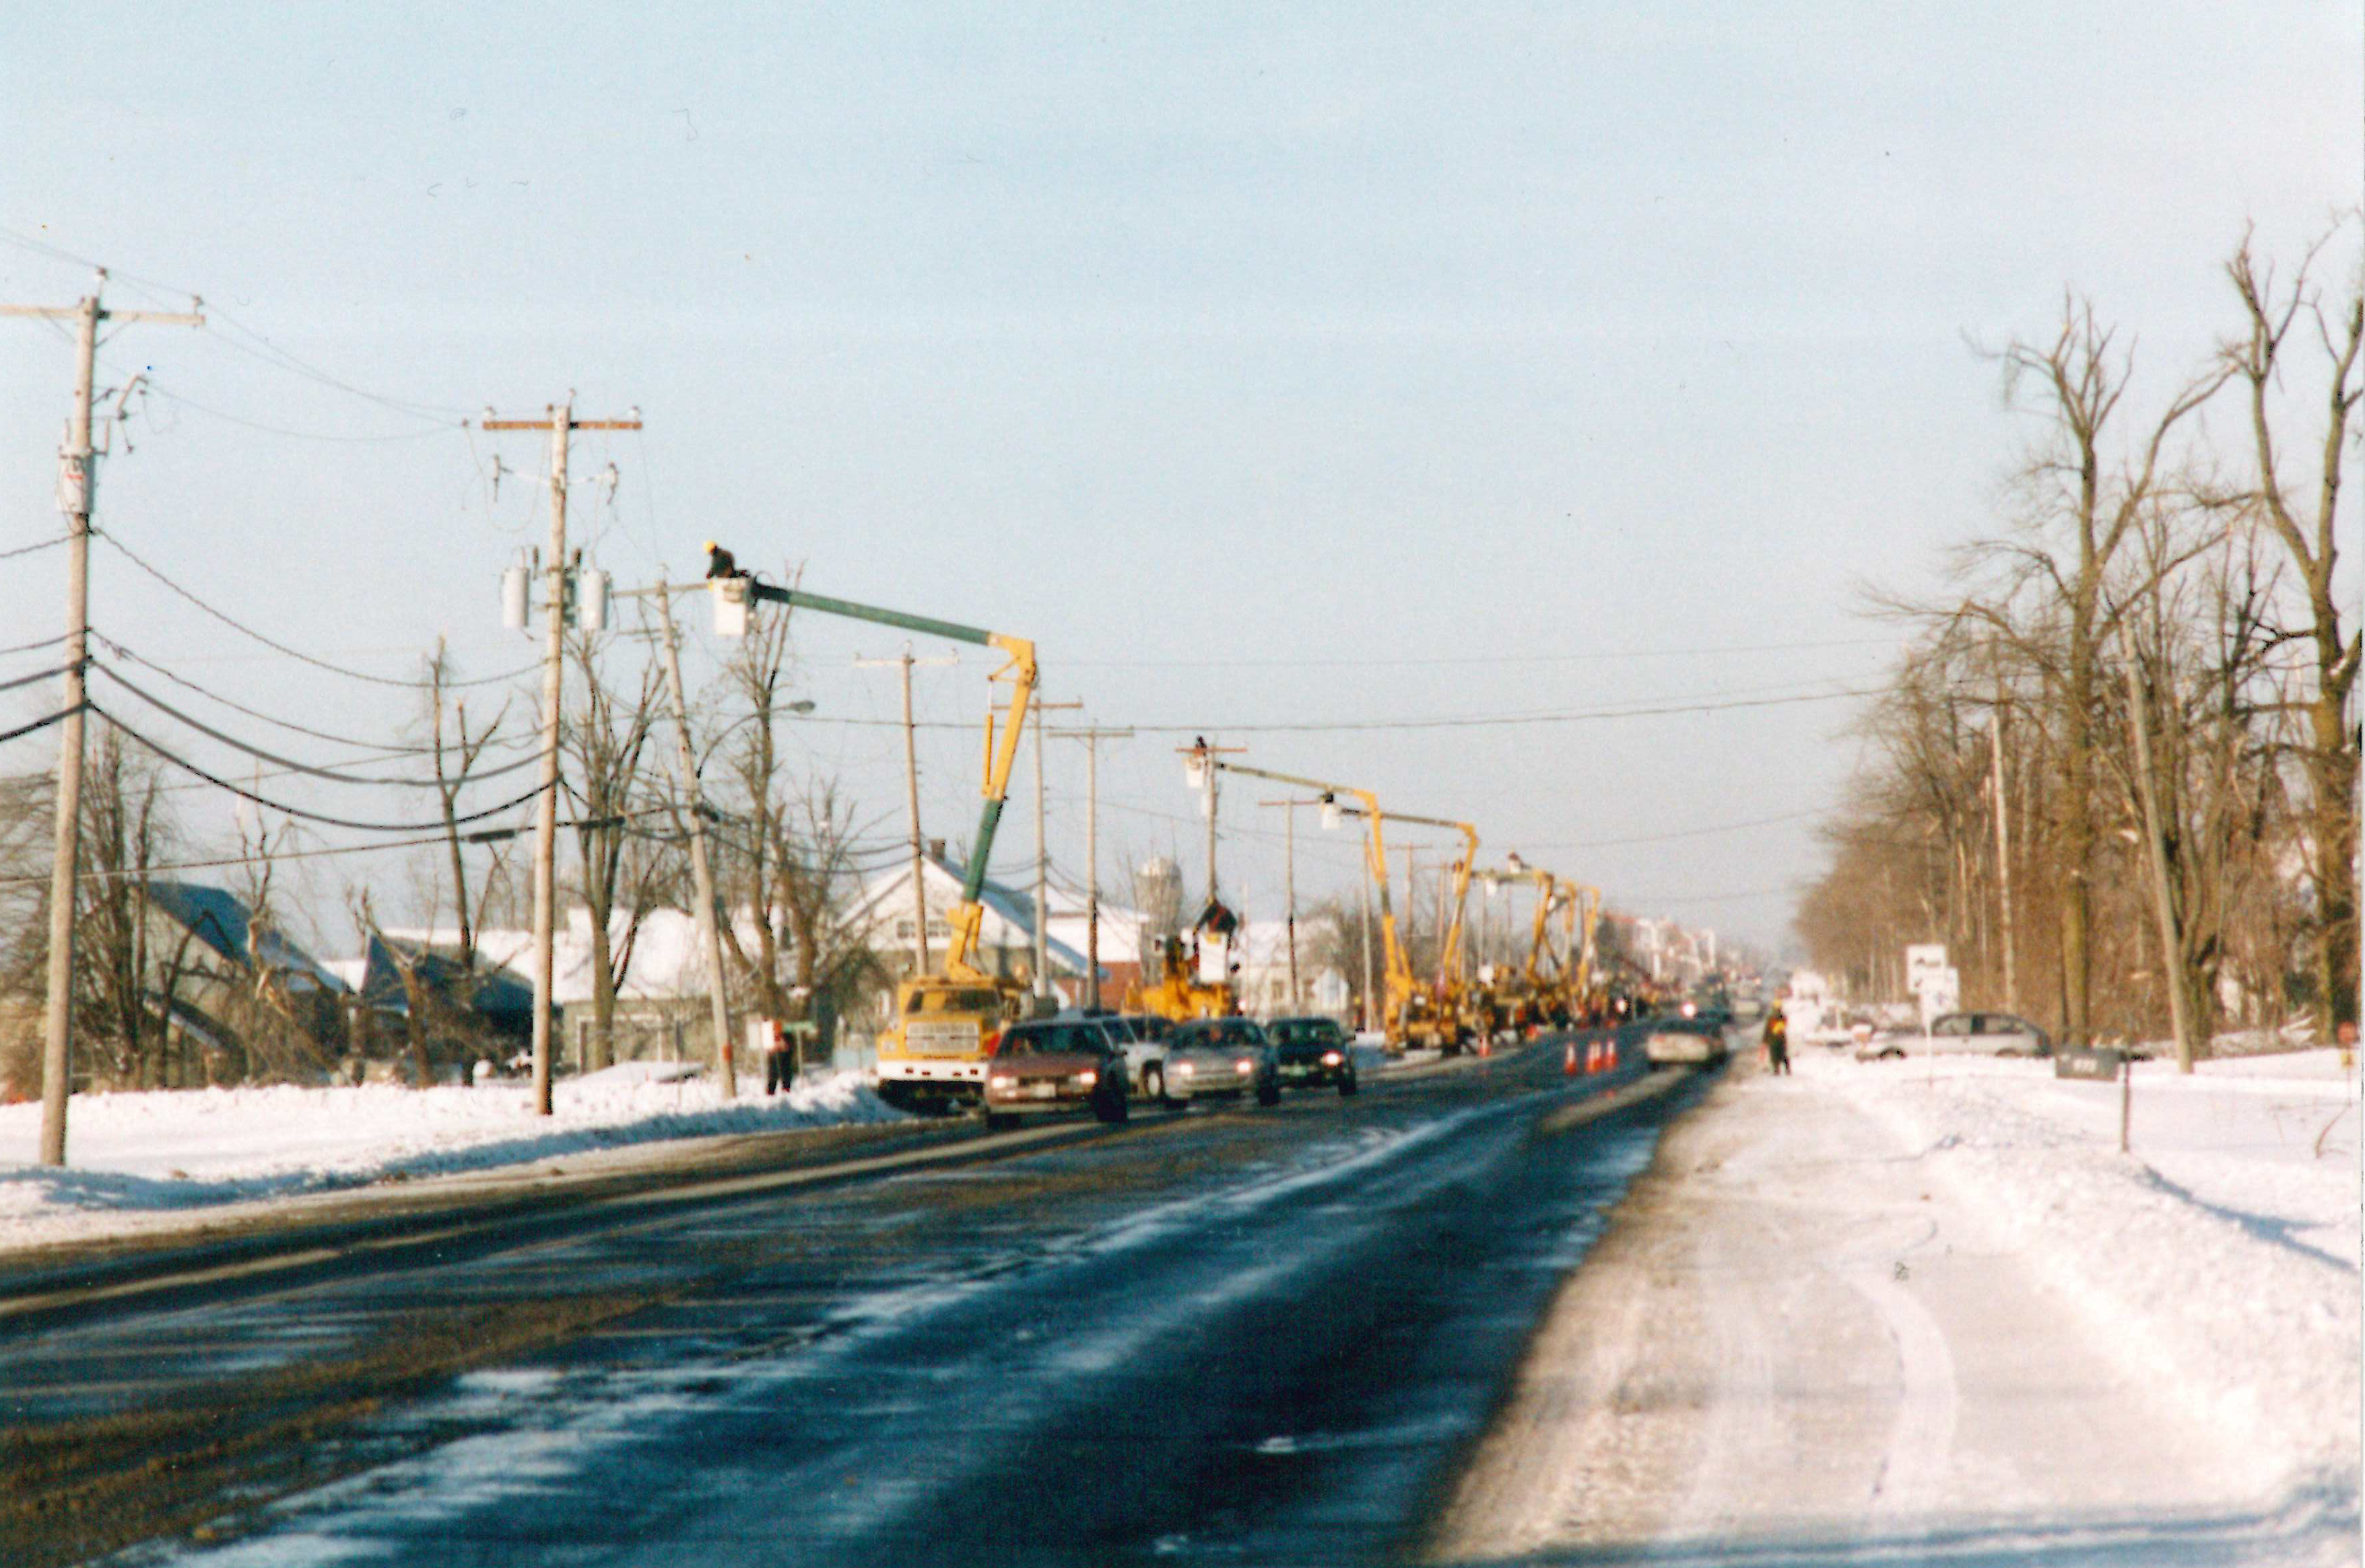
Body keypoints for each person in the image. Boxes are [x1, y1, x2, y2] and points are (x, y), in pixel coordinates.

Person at [764, 1017, 795, 1095]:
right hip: (776, 1050)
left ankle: (784, 1092)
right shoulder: (769, 1028)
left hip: (783, 1050)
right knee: (774, 1073)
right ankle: (772, 1093)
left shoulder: (785, 1027)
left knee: (784, 1072)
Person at [1762, 1002, 1791, 1075]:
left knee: (1778, 1055)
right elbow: (1768, 1029)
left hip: (1777, 1039)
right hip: (1777, 1039)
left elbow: (1768, 1030)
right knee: (1777, 1055)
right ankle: (1777, 1069)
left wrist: (1765, 1039)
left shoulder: (1779, 1018)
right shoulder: (1776, 1018)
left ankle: (1779, 1069)